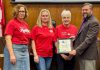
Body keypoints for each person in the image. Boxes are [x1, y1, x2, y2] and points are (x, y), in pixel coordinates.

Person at [69, 3, 100, 70]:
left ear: (91, 10)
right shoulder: (85, 20)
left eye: (86, 10)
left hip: (89, 55)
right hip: (83, 54)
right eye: (83, 10)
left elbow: (88, 40)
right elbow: (83, 35)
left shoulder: (94, 22)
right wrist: (75, 38)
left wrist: (76, 50)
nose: (84, 11)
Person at [3, 4, 30, 70]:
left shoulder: (25, 24)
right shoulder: (12, 23)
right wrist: (12, 54)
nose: (22, 13)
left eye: (23, 11)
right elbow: (8, 39)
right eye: (19, 11)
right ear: (16, 12)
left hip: (25, 50)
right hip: (15, 49)